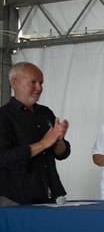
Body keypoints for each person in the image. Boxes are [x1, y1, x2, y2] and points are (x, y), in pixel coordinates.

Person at [0, 62, 70, 205]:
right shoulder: (3, 116)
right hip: (16, 198)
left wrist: (58, 141)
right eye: (33, 82)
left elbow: (62, 154)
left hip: (51, 194)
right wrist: (43, 143)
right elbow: (4, 158)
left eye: (41, 83)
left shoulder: (45, 113)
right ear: (14, 82)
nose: (39, 88)